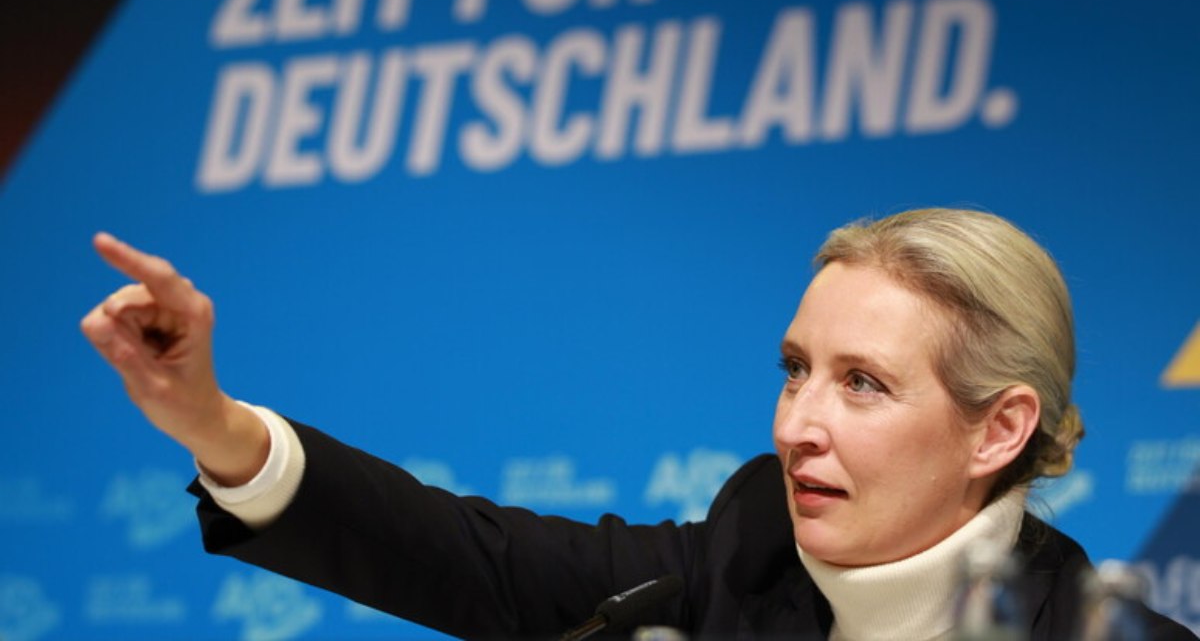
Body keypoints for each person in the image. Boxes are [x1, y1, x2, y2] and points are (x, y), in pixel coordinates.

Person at [80, 208, 1193, 640]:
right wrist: (212, 421)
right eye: (796, 370)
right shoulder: (741, 560)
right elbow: (465, 557)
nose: (797, 425)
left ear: (999, 430)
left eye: (862, 384)